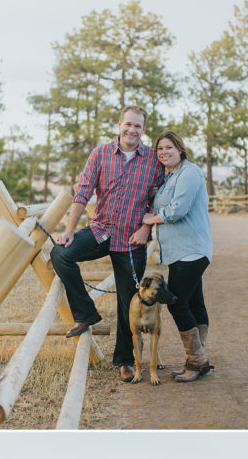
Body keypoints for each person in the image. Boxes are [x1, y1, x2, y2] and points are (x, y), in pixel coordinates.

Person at [51, 106, 164, 383]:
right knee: (61, 253)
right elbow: (82, 194)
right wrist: (69, 231)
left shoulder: (153, 160)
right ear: (119, 125)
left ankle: (125, 360)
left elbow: (157, 201)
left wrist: (146, 227)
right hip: (100, 231)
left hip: (131, 239)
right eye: (128, 124)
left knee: (129, 301)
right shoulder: (100, 154)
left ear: (143, 129)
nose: (132, 130)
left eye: (138, 126)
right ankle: (87, 313)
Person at [141, 130, 214, 382]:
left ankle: (196, 361)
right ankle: (198, 359)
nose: (163, 152)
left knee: (176, 302)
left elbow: (178, 210)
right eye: (159, 148)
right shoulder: (169, 177)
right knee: (194, 303)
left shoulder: (189, 173)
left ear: (180, 149)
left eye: (169, 147)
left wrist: (152, 219)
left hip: (191, 250)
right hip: (180, 252)